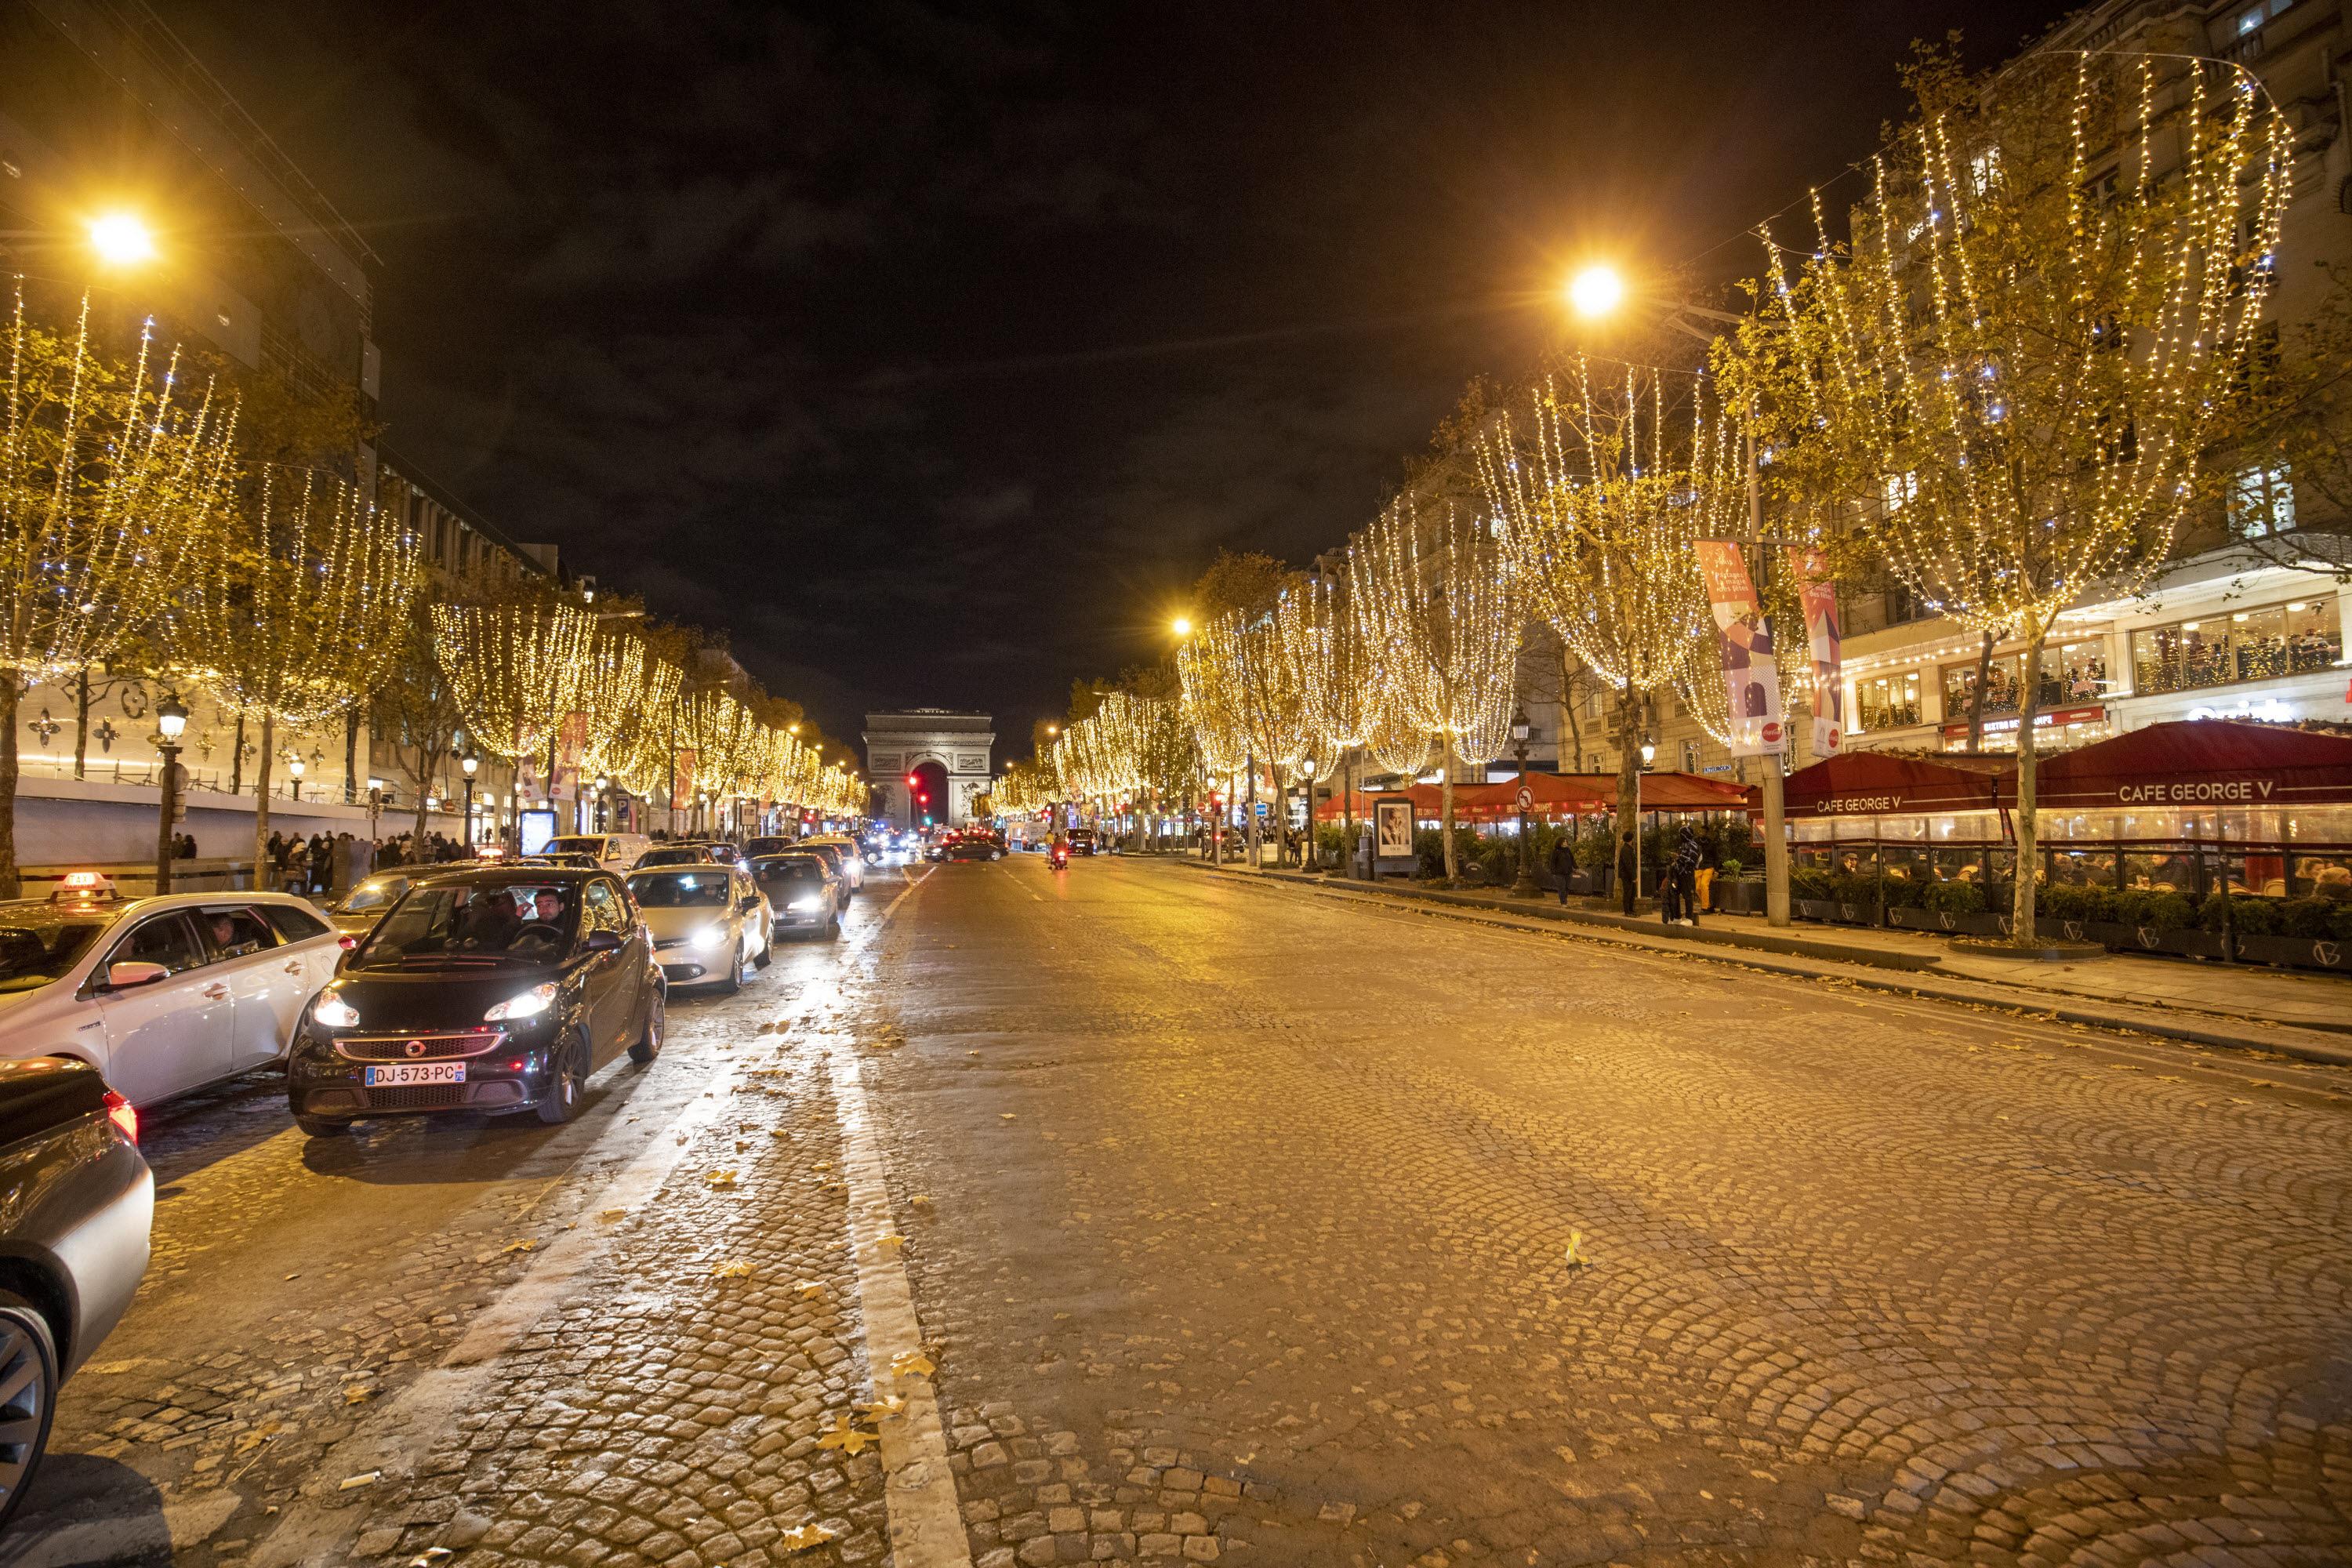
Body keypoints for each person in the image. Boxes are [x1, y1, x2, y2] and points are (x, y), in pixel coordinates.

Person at [1670, 825, 1704, 928]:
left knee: (1687, 896)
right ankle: (1677, 917)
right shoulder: (1683, 845)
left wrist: (1679, 857)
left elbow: (1692, 861)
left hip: (1687, 874)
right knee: (1675, 894)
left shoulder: (1693, 846)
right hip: (1678, 874)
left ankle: (1689, 918)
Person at [1548, 832, 1575, 906]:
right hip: (1559, 873)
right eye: (1564, 841)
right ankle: (1563, 903)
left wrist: (1575, 867)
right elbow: (1552, 862)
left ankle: (1565, 900)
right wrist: (1553, 871)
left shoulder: (1568, 850)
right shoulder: (1555, 851)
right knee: (1562, 888)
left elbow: (1572, 859)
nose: (1566, 843)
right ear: (1560, 843)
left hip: (1568, 872)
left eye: (1566, 841)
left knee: (1567, 887)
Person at [1616, 830, 1638, 916]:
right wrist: (1633, 877)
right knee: (1628, 893)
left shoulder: (1628, 849)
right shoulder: (1626, 850)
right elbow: (1628, 864)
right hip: (1627, 875)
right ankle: (1627, 911)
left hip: (1628, 874)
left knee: (1632, 892)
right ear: (1631, 839)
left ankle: (1631, 910)